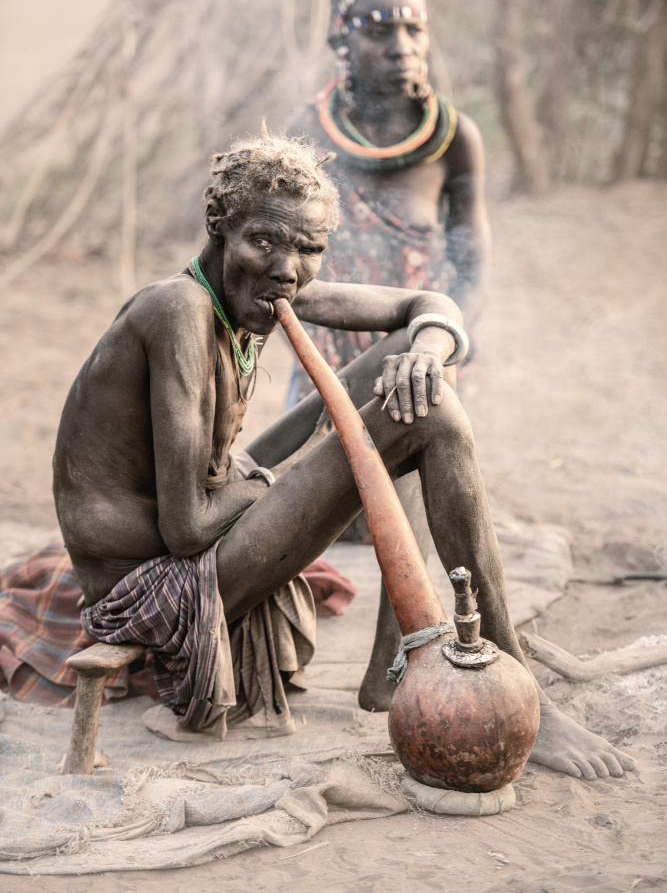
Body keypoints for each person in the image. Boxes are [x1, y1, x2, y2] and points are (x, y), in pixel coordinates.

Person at [53, 133, 634, 778]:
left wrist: (428, 350)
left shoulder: (266, 288)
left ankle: (397, 664)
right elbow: (187, 526)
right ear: (220, 228)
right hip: (158, 584)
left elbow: (425, 306)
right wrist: (278, 479)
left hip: (208, 519)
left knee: (409, 384)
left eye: (309, 249)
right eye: (264, 241)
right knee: (428, 415)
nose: (286, 268)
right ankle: (517, 675)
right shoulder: (179, 310)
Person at [286, 0, 489, 706]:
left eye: (413, 28)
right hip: (324, 353)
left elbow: (472, 265)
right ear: (344, 40)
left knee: (410, 504)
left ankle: (387, 673)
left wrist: (439, 341)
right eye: (379, 29)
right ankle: (271, 653)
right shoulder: (306, 133)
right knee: (295, 510)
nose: (401, 45)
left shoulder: (453, 138)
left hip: (416, 350)